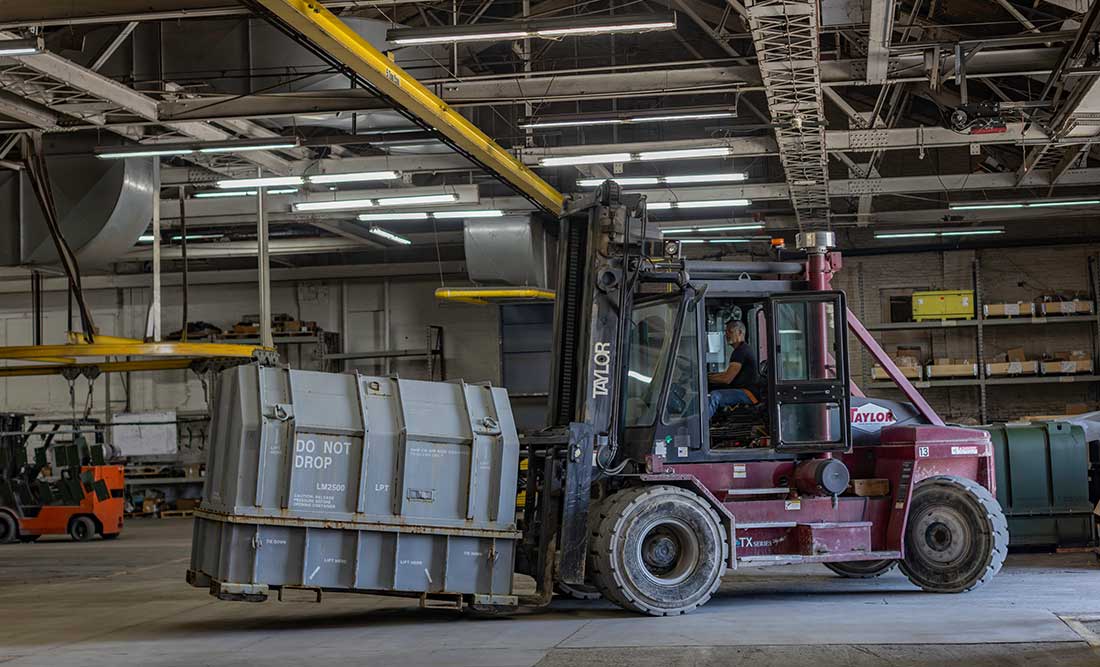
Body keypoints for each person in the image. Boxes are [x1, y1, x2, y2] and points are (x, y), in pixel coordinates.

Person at [707, 319, 762, 420]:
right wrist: (709, 376)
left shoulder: (741, 351)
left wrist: (705, 379)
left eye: (730, 332)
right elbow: (728, 373)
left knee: (714, 396)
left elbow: (727, 378)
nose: (727, 335)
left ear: (740, 332)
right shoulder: (741, 350)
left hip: (748, 393)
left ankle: (699, 426)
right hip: (742, 390)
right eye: (726, 332)